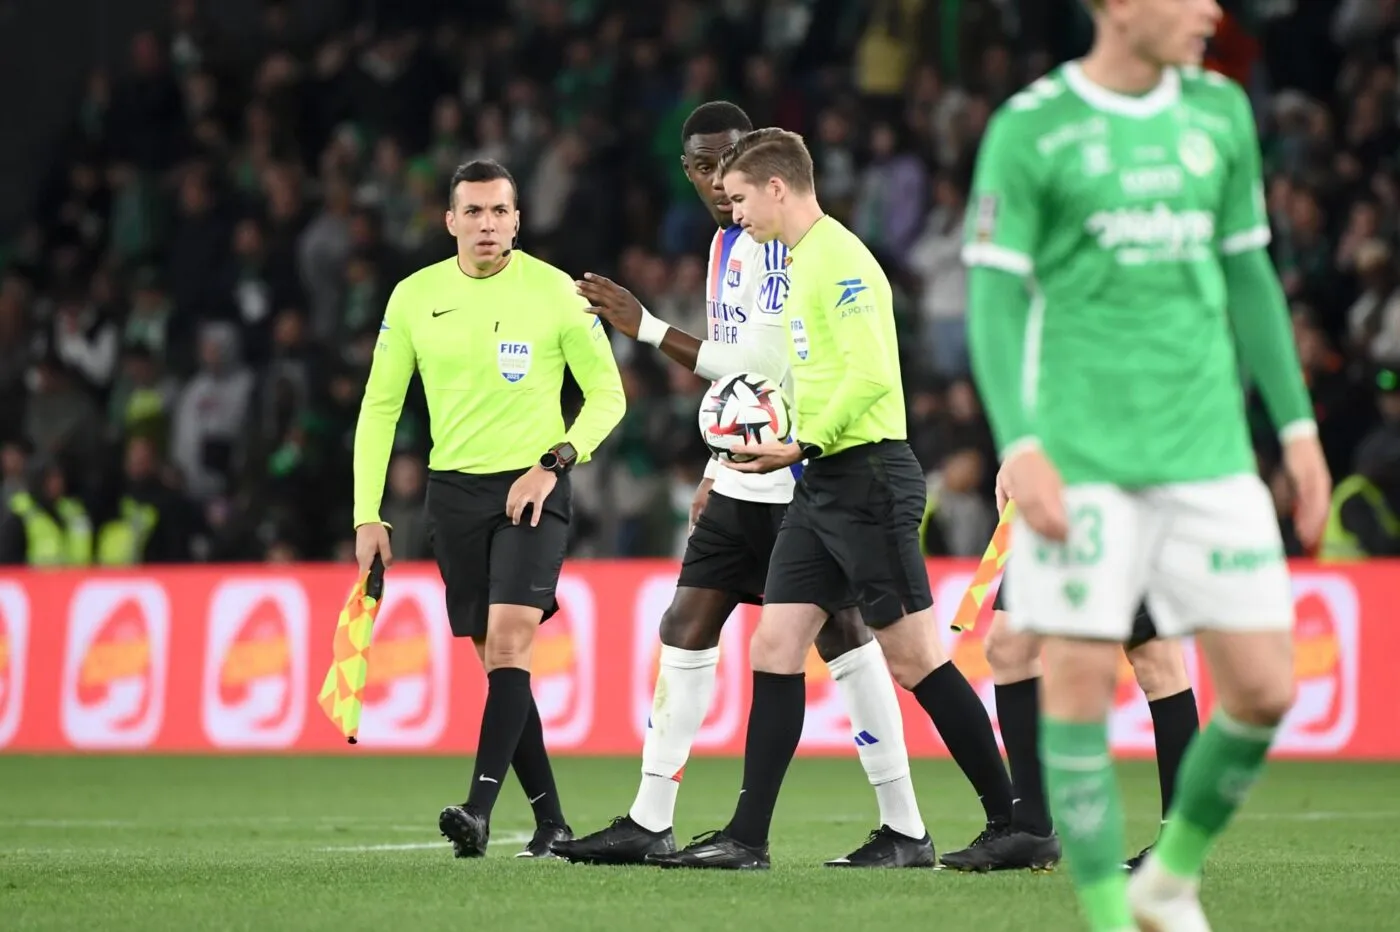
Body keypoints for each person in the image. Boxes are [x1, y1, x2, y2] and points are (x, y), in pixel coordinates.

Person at [963, 0, 1331, 928]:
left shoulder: (1221, 113)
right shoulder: (1032, 127)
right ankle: (1106, 909)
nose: (1212, 10)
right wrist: (1023, 441)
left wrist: (1296, 430)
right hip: (1085, 458)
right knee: (1076, 678)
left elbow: (1249, 274)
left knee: (1266, 686)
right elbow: (997, 301)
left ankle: (1168, 875)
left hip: (1208, 452)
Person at [552, 102, 932, 869]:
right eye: (704, 166)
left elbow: (768, 364)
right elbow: (742, 383)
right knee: (687, 624)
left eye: (731, 163)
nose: (721, 183)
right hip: (742, 474)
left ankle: (905, 825)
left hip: (801, 470)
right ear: (692, 172)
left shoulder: (780, 243)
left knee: (846, 639)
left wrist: (649, 330)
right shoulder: (728, 244)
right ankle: (650, 816)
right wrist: (714, 466)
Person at [648, 127, 1027, 871]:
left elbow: (872, 377)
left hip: (867, 477)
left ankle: (1012, 821)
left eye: (742, 198)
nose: (736, 213)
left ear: (778, 188)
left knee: (916, 659)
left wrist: (801, 440)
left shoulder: (842, 261)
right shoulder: (792, 262)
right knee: (775, 645)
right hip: (823, 482)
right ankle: (746, 838)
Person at [352, 159, 626, 860]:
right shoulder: (414, 297)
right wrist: (367, 513)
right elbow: (380, 407)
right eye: (472, 212)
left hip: (534, 485)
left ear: (517, 220)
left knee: (509, 646)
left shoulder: (555, 293)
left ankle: (476, 810)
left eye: (499, 211)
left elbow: (608, 397)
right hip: (455, 494)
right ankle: (551, 824)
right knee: (502, 666)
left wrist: (555, 462)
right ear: (449, 221)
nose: (486, 224)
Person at [939, 573, 1198, 873]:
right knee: (1008, 646)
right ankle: (1031, 829)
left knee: (1154, 659)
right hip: (1047, 537)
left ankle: (1181, 842)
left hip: (1125, 529)